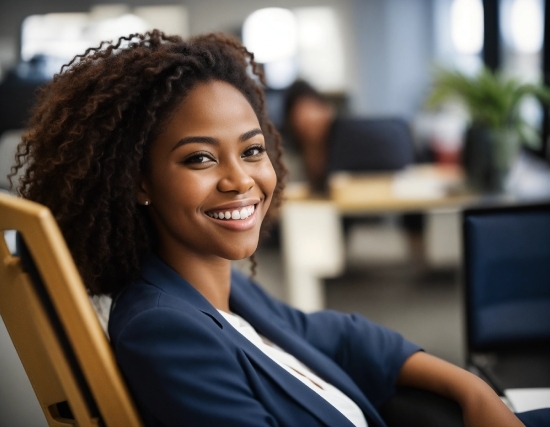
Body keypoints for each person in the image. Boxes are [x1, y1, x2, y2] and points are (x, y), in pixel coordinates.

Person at [10, 31, 546, 427]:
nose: (239, 180)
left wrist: (472, 390)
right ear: (139, 182)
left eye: (251, 150)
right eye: (199, 159)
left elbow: (344, 335)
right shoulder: (164, 331)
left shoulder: (221, 291)